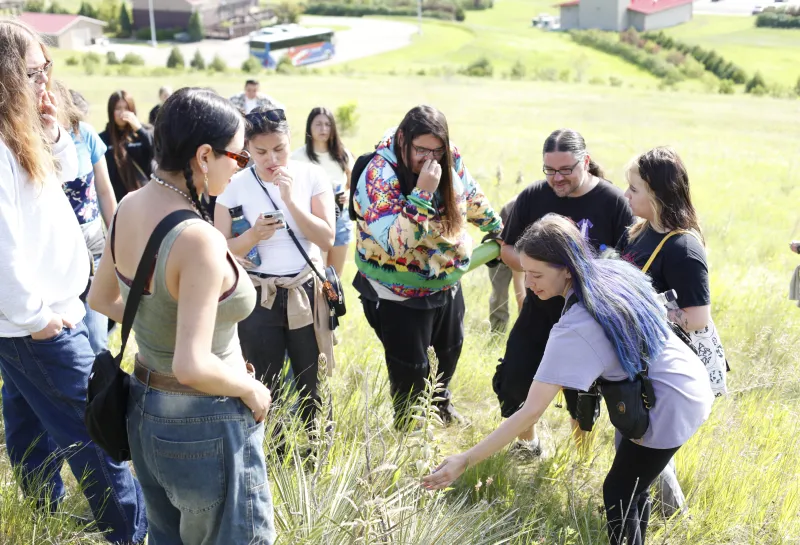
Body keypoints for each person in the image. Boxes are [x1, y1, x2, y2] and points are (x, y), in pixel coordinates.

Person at [423, 214, 714, 545]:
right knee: (634, 486)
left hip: (669, 403)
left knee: (618, 491)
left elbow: (530, 412)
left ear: (565, 267)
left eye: (536, 274)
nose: (528, 283)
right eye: (524, 272)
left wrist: (465, 459)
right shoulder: (608, 270)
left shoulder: (577, 326)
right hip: (685, 377)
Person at [88, 88, 276, 545]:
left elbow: (101, 297)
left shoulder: (130, 206)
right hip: (204, 424)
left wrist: (165, 324)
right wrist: (252, 388)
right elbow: (192, 365)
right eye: (238, 155)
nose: (241, 167)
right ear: (205, 155)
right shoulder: (198, 240)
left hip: (145, 413)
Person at [0, 20, 147, 544]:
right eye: (34, 72)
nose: (46, 83)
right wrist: (40, 319)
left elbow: (64, 176)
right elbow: (3, 249)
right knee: (99, 434)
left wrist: (54, 132)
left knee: (24, 416)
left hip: (45, 312)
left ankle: (41, 513)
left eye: (47, 69)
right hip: (37, 320)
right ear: (7, 76)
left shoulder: (17, 132)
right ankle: (133, 536)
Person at [351, 105, 503, 429]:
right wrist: (422, 193)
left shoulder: (447, 157)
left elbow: (470, 193)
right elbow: (394, 243)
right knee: (411, 368)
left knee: (449, 350)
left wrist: (496, 226)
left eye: (438, 150)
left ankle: (440, 408)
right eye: (421, 150)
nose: (430, 159)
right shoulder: (379, 174)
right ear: (403, 139)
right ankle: (408, 433)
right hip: (397, 293)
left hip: (444, 279)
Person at [494, 128, 633, 456]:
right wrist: (540, 271)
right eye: (550, 170)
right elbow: (507, 250)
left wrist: (576, 277)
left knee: (580, 394)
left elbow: (629, 264)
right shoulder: (532, 197)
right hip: (538, 310)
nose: (557, 178)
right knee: (514, 381)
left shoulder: (612, 202)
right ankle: (528, 446)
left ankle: (581, 461)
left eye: (566, 169)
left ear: (585, 161)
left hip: (588, 317)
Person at [214, 102, 336, 430]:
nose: (271, 160)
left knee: (314, 378)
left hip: (305, 290)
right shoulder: (234, 185)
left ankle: (317, 449)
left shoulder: (312, 175)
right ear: (247, 150)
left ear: (290, 141)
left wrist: (292, 202)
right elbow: (218, 248)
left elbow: (327, 238)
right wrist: (253, 235)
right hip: (257, 293)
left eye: (279, 149)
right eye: (261, 151)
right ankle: (273, 452)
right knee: (265, 380)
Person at [617, 146, 713, 517]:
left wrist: (649, 311)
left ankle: (666, 515)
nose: (626, 195)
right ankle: (649, 511)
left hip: (666, 367)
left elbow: (699, 317)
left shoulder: (683, 248)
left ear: (657, 194)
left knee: (640, 440)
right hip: (637, 359)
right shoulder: (639, 231)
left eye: (634, 189)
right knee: (635, 436)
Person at [53, 81, 118, 354]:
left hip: (93, 247)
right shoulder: (28, 142)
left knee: (96, 341)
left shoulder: (86, 136)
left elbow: (104, 190)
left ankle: (99, 395)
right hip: (54, 253)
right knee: (62, 342)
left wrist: (118, 235)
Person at [291, 106, 355, 276]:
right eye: (318, 124)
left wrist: (347, 196)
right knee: (318, 275)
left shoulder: (343, 154)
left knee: (335, 278)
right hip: (314, 220)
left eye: (328, 124)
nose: (323, 129)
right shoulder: (298, 157)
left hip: (341, 219)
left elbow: (351, 184)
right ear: (309, 127)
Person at [99, 90, 155, 203]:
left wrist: (139, 129)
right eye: (118, 108)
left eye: (126, 108)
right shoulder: (103, 139)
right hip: (118, 200)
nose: (122, 113)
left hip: (146, 198)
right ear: (111, 111)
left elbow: (158, 151)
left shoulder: (144, 133)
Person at [487, 196, 526, 334]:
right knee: (500, 293)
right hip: (499, 251)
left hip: (520, 250)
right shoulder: (515, 211)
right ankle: (497, 331)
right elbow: (518, 278)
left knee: (531, 291)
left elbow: (520, 278)